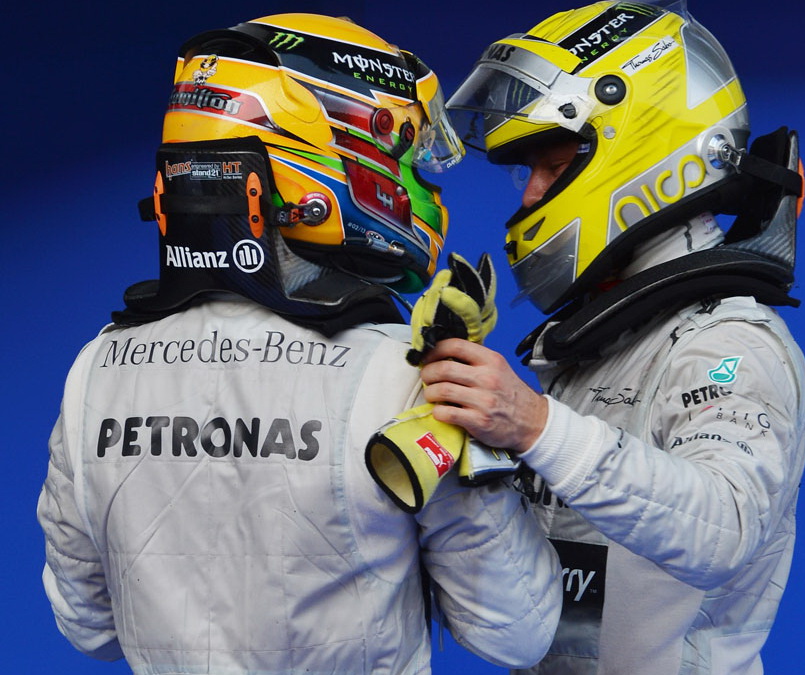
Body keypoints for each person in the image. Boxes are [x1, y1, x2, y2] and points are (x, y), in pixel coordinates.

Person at [36, 14, 561, 674]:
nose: (422, 178)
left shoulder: (95, 371)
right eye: (406, 150)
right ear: (330, 155)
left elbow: (87, 626)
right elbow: (517, 629)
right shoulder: (406, 375)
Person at [418, 1, 805, 673]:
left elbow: (724, 526)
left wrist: (535, 425)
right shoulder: (593, 344)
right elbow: (529, 619)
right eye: (526, 173)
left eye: (551, 166)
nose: (529, 197)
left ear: (642, 157)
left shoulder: (728, 343)